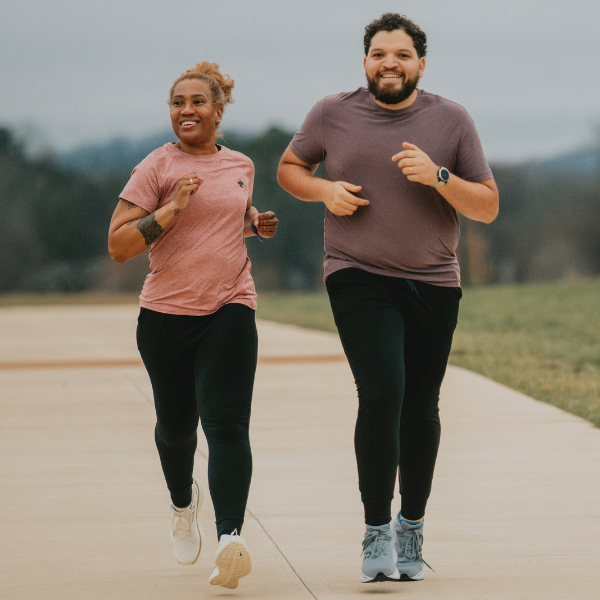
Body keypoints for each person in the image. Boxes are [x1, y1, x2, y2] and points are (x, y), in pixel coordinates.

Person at [277, 13, 498, 584]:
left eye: (401, 54)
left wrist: (439, 177)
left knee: (420, 404)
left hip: (433, 279)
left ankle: (411, 526)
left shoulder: (451, 120)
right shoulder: (332, 113)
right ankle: (376, 531)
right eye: (378, 53)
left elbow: (487, 205)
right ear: (366, 61)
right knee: (382, 390)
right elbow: (290, 167)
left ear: (421, 63)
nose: (389, 63)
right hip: (357, 272)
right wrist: (324, 189)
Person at [108, 62, 278, 589]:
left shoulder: (241, 165)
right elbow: (118, 246)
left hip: (230, 307)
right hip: (165, 316)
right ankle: (183, 504)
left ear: (218, 111)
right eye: (178, 102)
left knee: (226, 423)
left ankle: (230, 538)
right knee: (177, 428)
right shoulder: (154, 168)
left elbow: (230, 215)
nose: (187, 110)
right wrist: (171, 209)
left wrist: (254, 223)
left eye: (197, 102)